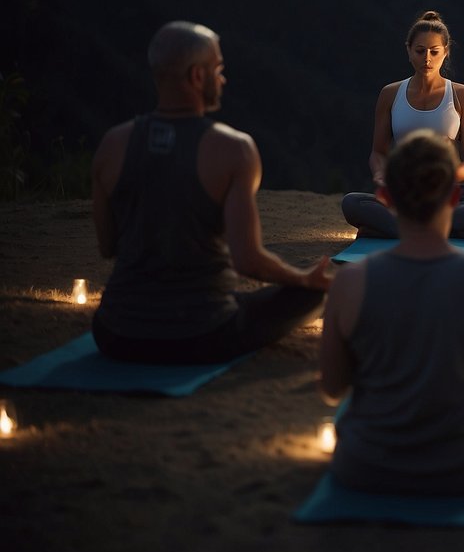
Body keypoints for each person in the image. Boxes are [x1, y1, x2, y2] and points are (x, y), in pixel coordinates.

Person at [320, 129, 464, 494]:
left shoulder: (348, 284)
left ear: (384, 198)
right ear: (454, 196)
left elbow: (333, 389)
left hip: (365, 465)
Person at [91, 21, 331, 364]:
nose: (223, 79)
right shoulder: (233, 148)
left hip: (115, 334)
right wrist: (304, 279)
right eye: (218, 69)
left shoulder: (112, 145)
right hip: (201, 334)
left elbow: (107, 246)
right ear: (197, 77)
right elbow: (247, 260)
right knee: (310, 296)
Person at [341, 10, 464, 239]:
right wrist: (382, 175)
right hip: (405, 192)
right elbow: (378, 153)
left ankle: (398, 228)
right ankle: (447, 229)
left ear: (445, 52)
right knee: (352, 203)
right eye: (419, 51)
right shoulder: (390, 94)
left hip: (451, 193)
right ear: (408, 51)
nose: (427, 59)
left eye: (434, 52)